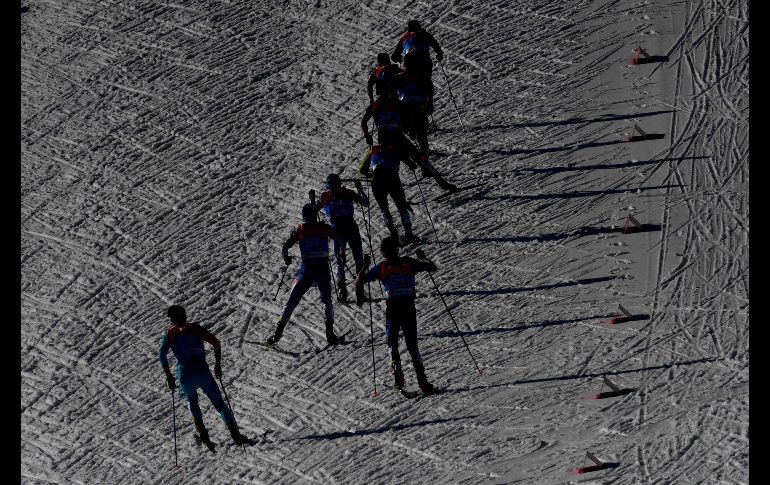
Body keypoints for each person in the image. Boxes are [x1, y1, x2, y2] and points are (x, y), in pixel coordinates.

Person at [355, 237, 437, 394]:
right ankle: (423, 382)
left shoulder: (382, 267)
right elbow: (432, 267)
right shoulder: (408, 262)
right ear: (396, 249)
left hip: (393, 309)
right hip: (408, 307)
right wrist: (422, 258)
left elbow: (359, 281)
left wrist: (364, 267)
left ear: (383, 253)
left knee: (392, 342)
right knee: (412, 345)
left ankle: (398, 376)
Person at [159, 305, 247, 447]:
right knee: (219, 404)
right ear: (185, 316)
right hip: (202, 370)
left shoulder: (169, 334)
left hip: (185, 373)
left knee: (192, 401)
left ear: (171, 319)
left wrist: (169, 377)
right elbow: (216, 343)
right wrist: (217, 364)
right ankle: (236, 436)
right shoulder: (195, 328)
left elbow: (162, 356)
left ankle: (203, 434)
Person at [265, 203, 340, 346]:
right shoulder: (325, 228)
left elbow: (285, 247)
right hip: (323, 269)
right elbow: (339, 238)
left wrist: (286, 257)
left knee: (292, 301)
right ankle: (330, 333)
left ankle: (277, 334)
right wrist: (340, 253)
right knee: (327, 300)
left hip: (307, 271)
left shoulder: (300, 229)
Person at [361, 92, 457, 192]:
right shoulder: (385, 104)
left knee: (409, 158)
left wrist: (367, 134)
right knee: (398, 160)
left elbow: (364, 121)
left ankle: (442, 182)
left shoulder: (381, 104)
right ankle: (440, 182)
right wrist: (367, 134)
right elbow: (406, 115)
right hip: (391, 136)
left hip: (391, 135)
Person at [314, 173, 369, 302]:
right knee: (358, 257)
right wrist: (360, 188)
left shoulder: (324, 196)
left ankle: (341, 290)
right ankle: (359, 290)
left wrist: (312, 201)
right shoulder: (348, 192)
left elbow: (312, 211)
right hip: (351, 226)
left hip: (336, 228)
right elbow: (365, 203)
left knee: (339, 260)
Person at [359, 143, 418, 245]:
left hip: (377, 179)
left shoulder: (373, 148)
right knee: (402, 206)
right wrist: (412, 165)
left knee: (384, 208)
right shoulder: (397, 147)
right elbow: (411, 164)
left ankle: (393, 233)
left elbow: (362, 170)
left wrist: (369, 173)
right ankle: (409, 233)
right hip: (393, 177)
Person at [394, 70, 434, 158]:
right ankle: (424, 155)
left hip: (406, 108)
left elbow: (391, 91)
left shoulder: (399, 77)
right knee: (421, 134)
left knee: (413, 131)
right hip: (418, 107)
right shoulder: (421, 76)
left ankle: (420, 153)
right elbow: (429, 89)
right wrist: (429, 103)